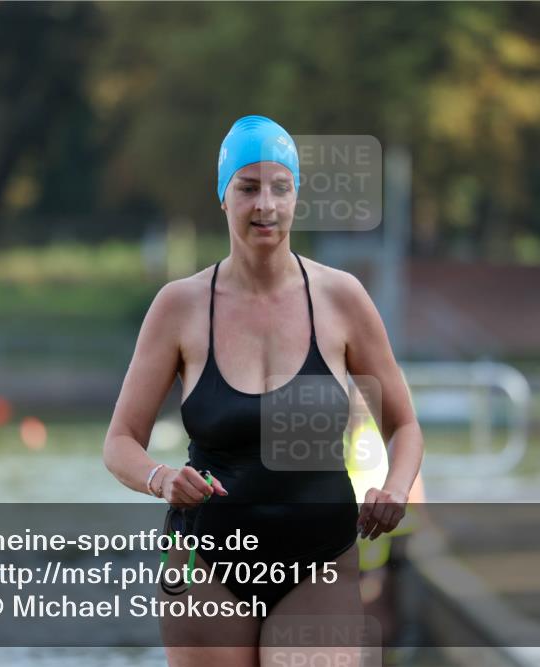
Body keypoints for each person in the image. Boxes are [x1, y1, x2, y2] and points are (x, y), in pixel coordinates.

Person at [103, 115, 423, 666]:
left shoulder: (342, 298)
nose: (265, 205)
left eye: (281, 187)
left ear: (297, 196)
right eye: (248, 188)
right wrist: (161, 479)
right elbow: (119, 441)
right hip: (207, 559)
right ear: (222, 196)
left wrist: (394, 488)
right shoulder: (179, 306)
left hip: (320, 558)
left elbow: (405, 425)